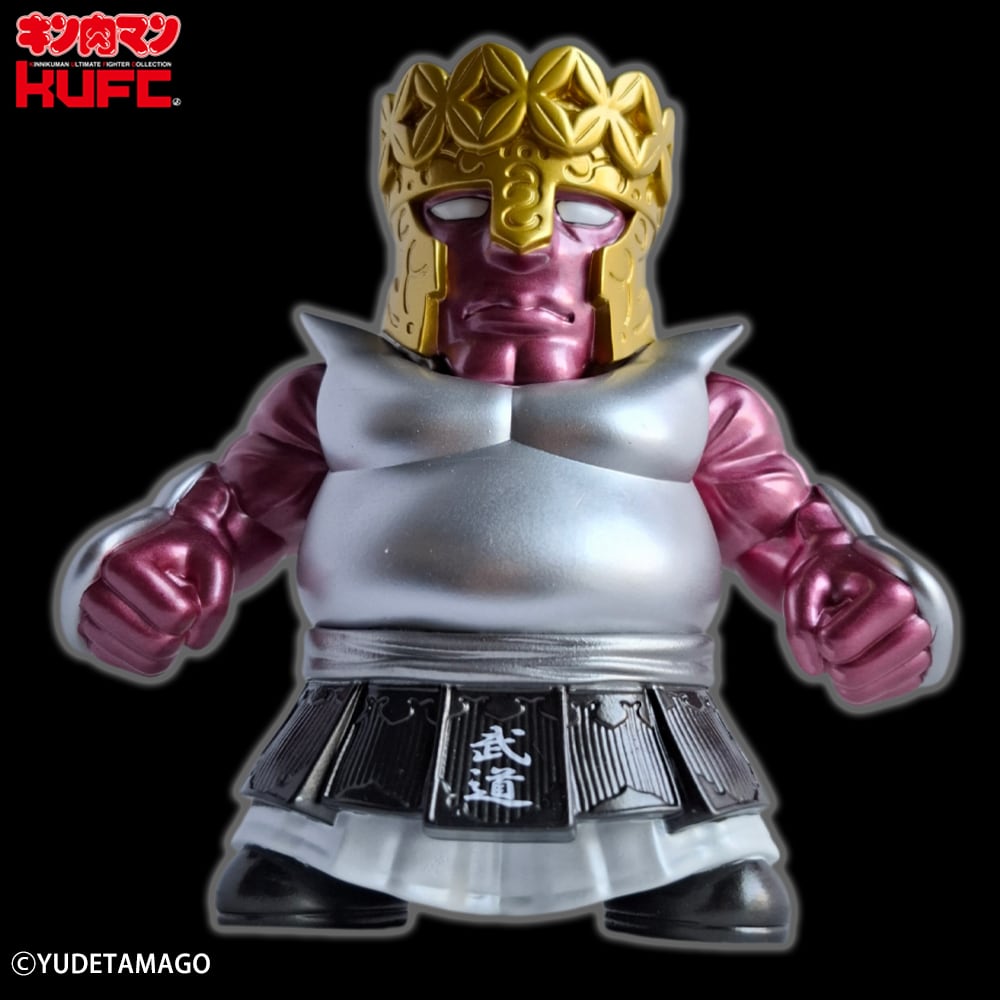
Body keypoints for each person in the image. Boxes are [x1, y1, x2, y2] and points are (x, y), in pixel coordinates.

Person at [57, 40, 955, 945]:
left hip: (638, 724)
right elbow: (226, 515)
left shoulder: (699, 405)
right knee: (297, 870)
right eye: (460, 205)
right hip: (372, 710)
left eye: (582, 211)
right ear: (412, 225)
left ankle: (684, 859)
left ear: (631, 229)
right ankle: (320, 854)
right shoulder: (333, 396)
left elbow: (798, 537)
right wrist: (144, 576)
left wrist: (873, 603)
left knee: (709, 885)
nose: (519, 248)